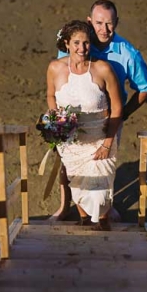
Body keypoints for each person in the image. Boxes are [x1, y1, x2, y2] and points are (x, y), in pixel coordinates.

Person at [52, 0, 147, 220]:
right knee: (67, 163)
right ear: (90, 21)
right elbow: (61, 77)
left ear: (117, 22)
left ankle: (104, 207)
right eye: (99, 23)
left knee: (103, 165)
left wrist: (123, 114)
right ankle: (64, 206)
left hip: (108, 119)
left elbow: (145, 88)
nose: (104, 29)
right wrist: (58, 120)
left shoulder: (128, 54)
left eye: (109, 23)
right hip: (74, 116)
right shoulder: (78, 42)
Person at [46, 20, 123, 230]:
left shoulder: (103, 69)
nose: (82, 48)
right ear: (67, 44)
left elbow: (117, 108)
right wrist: (56, 120)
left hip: (100, 139)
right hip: (71, 143)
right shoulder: (54, 68)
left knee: (99, 193)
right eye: (76, 43)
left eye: (86, 43)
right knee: (78, 187)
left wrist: (107, 143)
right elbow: (50, 95)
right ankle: (84, 221)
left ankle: (104, 223)